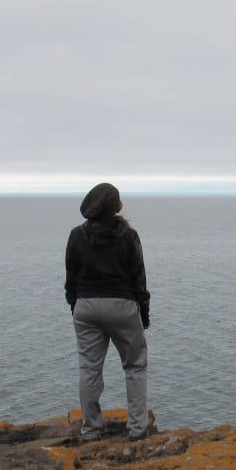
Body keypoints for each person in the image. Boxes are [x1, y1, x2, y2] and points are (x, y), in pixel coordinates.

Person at [64, 182, 151, 441]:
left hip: (86, 306)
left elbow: (71, 278)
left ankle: (91, 430)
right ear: (116, 206)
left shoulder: (76, 235)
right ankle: (137, 430)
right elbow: (139, 280)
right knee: (135, 366)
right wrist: (143, 315)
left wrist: (75, 307)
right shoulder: (128, 236)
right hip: (122, 306)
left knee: (89, 369)